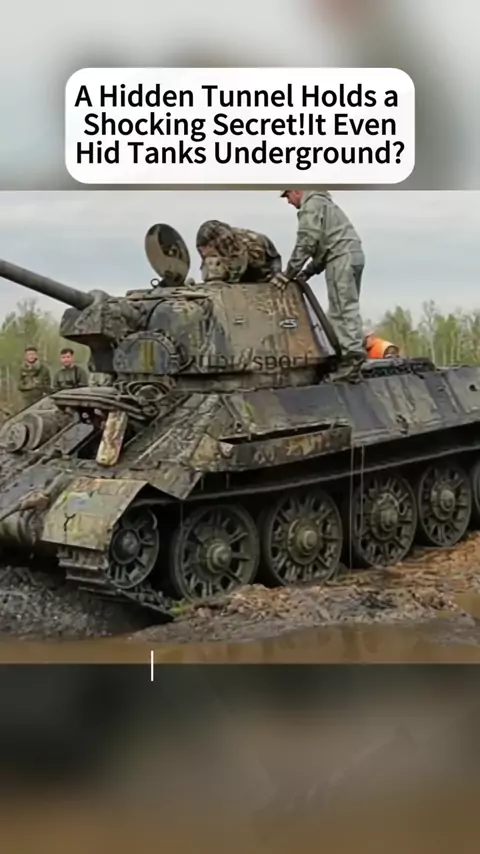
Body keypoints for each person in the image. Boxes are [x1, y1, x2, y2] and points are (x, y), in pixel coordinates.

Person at [279, 189, 366, 382]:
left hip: (340, 258)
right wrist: (308, 271)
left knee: (342, 310)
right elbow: (324, 245)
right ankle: (351, 358)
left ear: (296, 191)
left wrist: (289, 273)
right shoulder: (324, 204)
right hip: (351, 255)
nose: (288, 202)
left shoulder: (311, 205)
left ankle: (351, 361)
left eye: (287, 196)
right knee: (346, 307)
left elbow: (307, 242)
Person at [195, 220, 282, 284]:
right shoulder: (210, 251)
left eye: (209, 246)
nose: (204, 253)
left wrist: (275, 273)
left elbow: (272, 255)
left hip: (261, 269)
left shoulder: (246, 242)